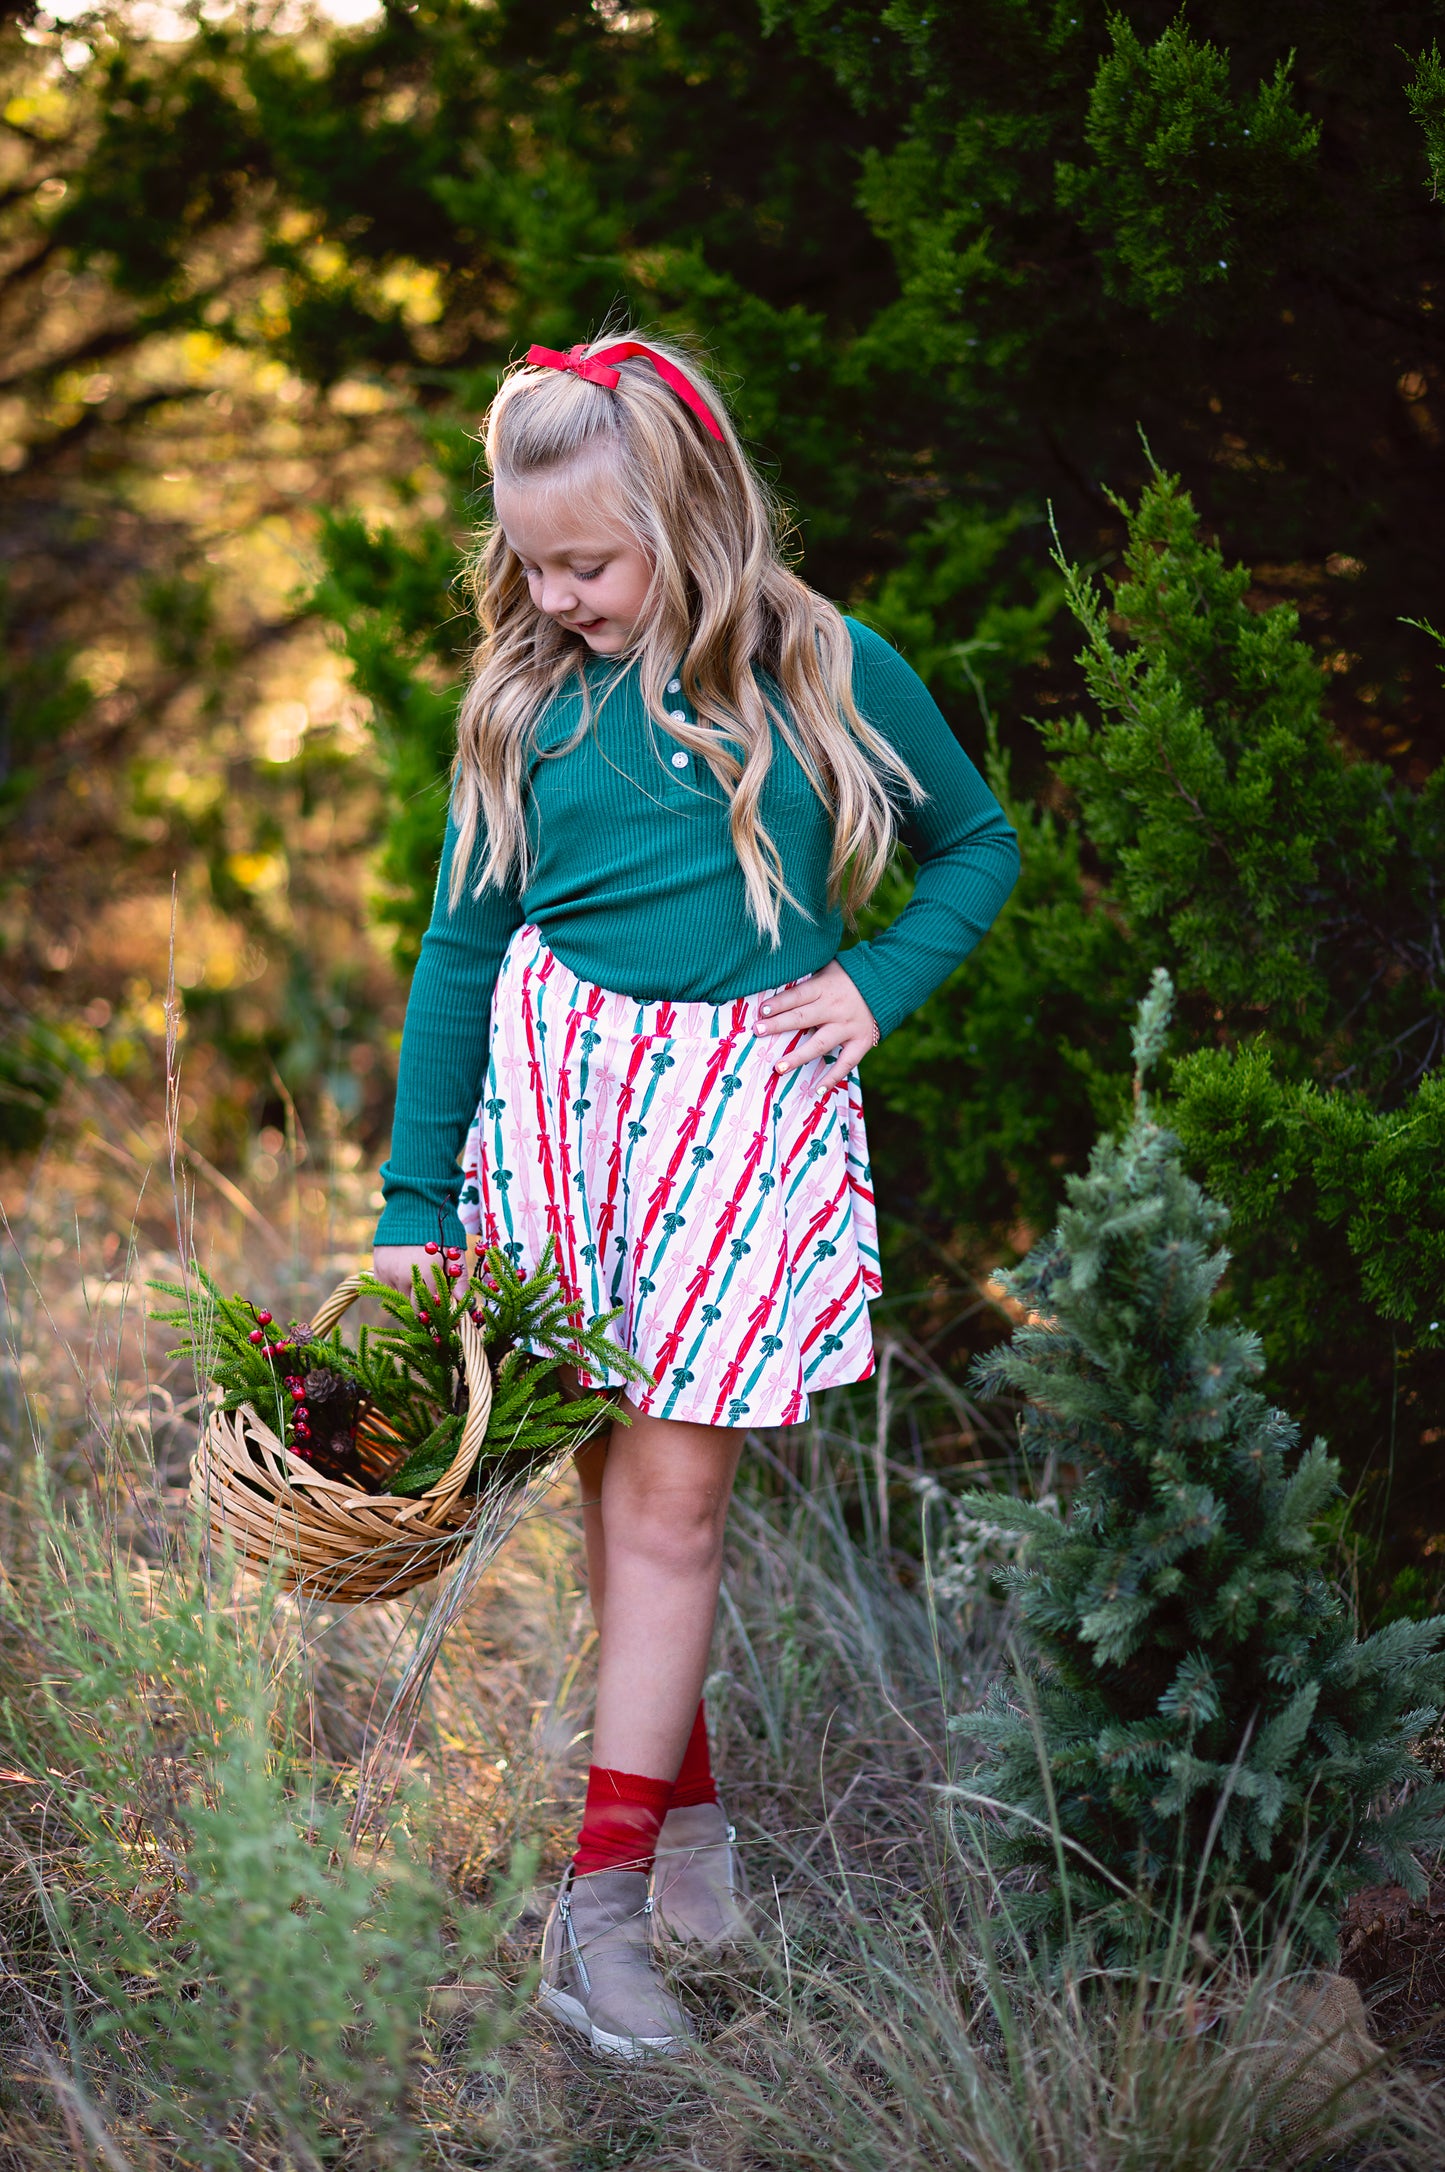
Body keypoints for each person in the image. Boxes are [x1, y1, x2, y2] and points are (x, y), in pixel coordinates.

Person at [371, 332, 1019, 2058]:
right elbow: (456, 952)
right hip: (564, 1125)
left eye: (585, 559)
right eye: (527, 561)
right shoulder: (522, 704)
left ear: (690, 511)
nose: (552, 593)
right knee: (625, 1513)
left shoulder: (817, 663)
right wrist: (411, 1207)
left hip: (736, 1131)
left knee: (672, 1517)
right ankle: (663, 1858)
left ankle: (593, 1916)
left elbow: (980, 843)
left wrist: (877, 986)